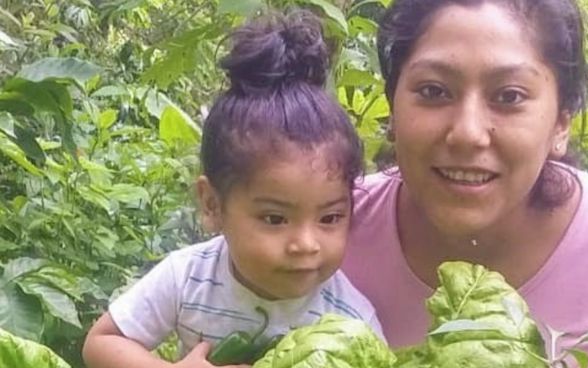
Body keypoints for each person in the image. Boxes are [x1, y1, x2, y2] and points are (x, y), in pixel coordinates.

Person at [341, 0, 588, 367]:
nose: (468, 133)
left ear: (561, 123)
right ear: (393, 106)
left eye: (509, 96)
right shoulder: (330, 229)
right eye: (434, 91)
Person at [82, 10, 381, 368]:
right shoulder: (189, 277)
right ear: (212, 205)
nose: (306, 244)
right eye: (275, 218)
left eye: (330, 218)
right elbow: (101, 343)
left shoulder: (353, 324)